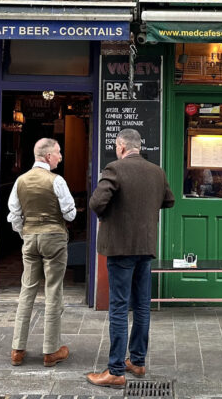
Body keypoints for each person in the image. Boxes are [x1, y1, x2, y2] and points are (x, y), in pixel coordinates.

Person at [86, 128, 175, 389]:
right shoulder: (157, 172)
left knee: (119, 307)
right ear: (139, 146)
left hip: (120, 248)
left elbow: (96, 203)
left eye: (116, 147)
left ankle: (115, 370)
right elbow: (169, 201)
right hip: (145, 247)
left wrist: (111, 213)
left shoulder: (115, 169)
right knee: (142, 306)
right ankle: (137, 361)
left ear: (121, 146)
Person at [6, 138, 76, 368]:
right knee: (53, 291)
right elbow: (70, 214)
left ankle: (17, 349)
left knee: (27, 290)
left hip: (29, 238)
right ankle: (50, 351)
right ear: (48, 156)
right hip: (54, 238)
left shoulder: (20, 181)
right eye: (58, 152)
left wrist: (25, 233)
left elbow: (14, 216)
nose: (60, 157)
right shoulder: (57, 181)